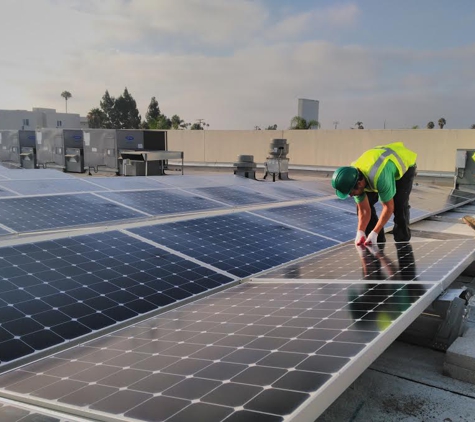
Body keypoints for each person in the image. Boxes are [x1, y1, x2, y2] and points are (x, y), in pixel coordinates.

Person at [331, 142, 417, 245]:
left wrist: (374, 233)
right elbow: (363, 209)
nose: (350, 195)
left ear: (360, 183)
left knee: (399, 205)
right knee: (362, 205)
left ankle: (402, 240)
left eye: (351, 192)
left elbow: (388, 207)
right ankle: (377, 242)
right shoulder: (352, 176)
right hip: (380, 165)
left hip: (404, 166)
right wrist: (360, 232)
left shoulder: (380, 177)